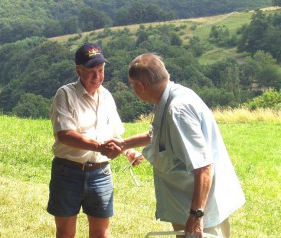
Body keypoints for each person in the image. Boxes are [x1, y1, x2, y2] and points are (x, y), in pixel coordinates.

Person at [108, 53, 245, 238]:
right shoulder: (172, 97)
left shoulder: (177, 110)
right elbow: (159, 135)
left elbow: (203, 166)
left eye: (133, 86)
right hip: (190, 206)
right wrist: (125, 144)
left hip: (201, 212)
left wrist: (196, 215)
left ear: (140, 86)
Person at [47, 43, 141, 238]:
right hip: (68, 172)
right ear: (79, 71)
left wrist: (128, 152)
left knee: (102, 234)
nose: (97, 77)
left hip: (100, 173)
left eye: (100, 71)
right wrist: (99, 147)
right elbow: (64, 134)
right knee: (65, 232)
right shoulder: (65, 94)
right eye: (91, 72)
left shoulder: (107, 97)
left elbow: (115, 134)